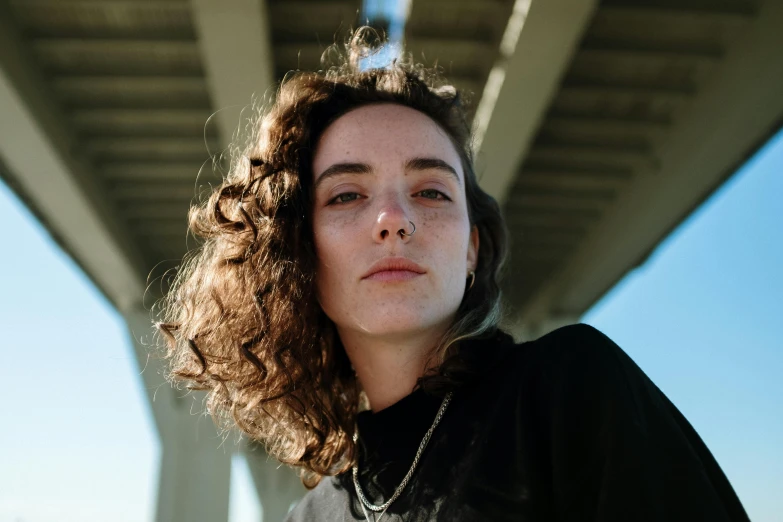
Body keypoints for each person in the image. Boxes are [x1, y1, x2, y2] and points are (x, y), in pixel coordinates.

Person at [153, 29, 752, 522]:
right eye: (346, 196)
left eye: (432, 191)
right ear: (298, 252)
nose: (393, 220)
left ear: (471, 249)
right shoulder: (311, 516)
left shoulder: (568, 393)